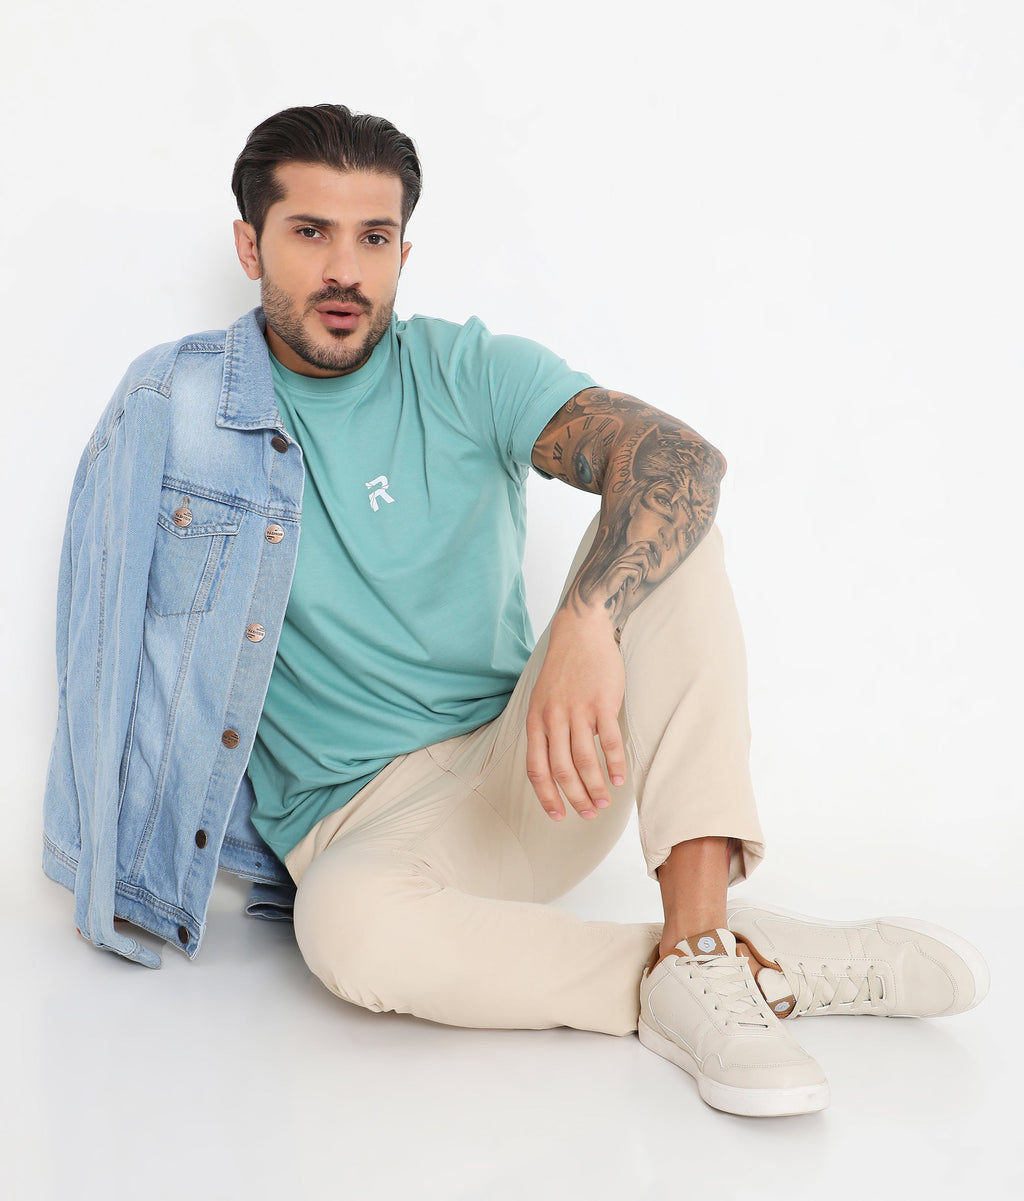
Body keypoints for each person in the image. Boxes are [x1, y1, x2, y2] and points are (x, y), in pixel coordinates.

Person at [44, 103, 988, 1118]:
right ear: (249, 245)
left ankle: (701, 940)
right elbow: (100, 641)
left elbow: (679, 456)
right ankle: (716, 960)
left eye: (374, 238)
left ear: (404, 252)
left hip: (533, 772)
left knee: (674, 532)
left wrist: (586, 620)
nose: (345, 271)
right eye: (310, 232)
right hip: (355, 832)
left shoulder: (465, 370)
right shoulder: (171, 407)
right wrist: (115, 881)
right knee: (345, 935)